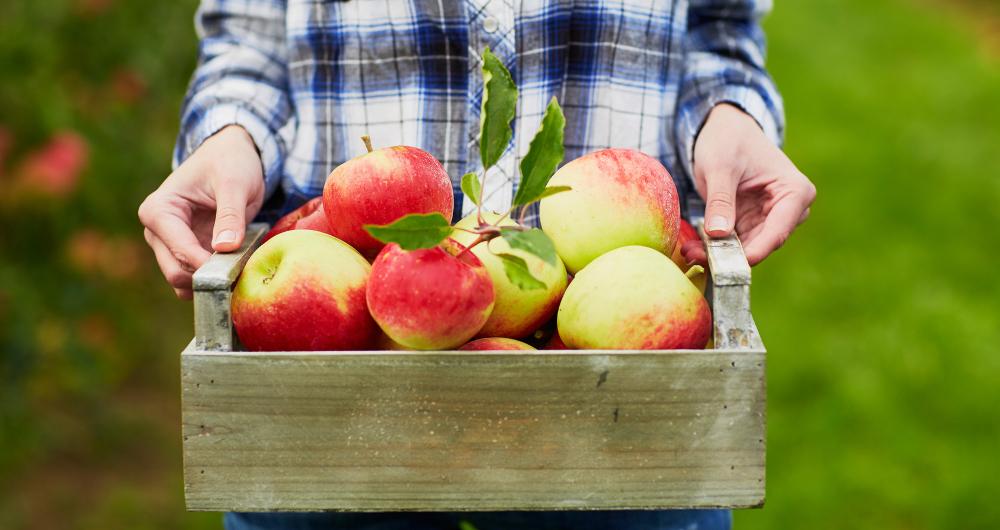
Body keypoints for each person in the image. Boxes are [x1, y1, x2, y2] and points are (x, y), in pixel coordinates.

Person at [139, 1, 815, 528]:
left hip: (624, 400)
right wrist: (231, 133)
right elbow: (249, 39)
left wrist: (730, 114)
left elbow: (718, 27)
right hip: (328, 380)